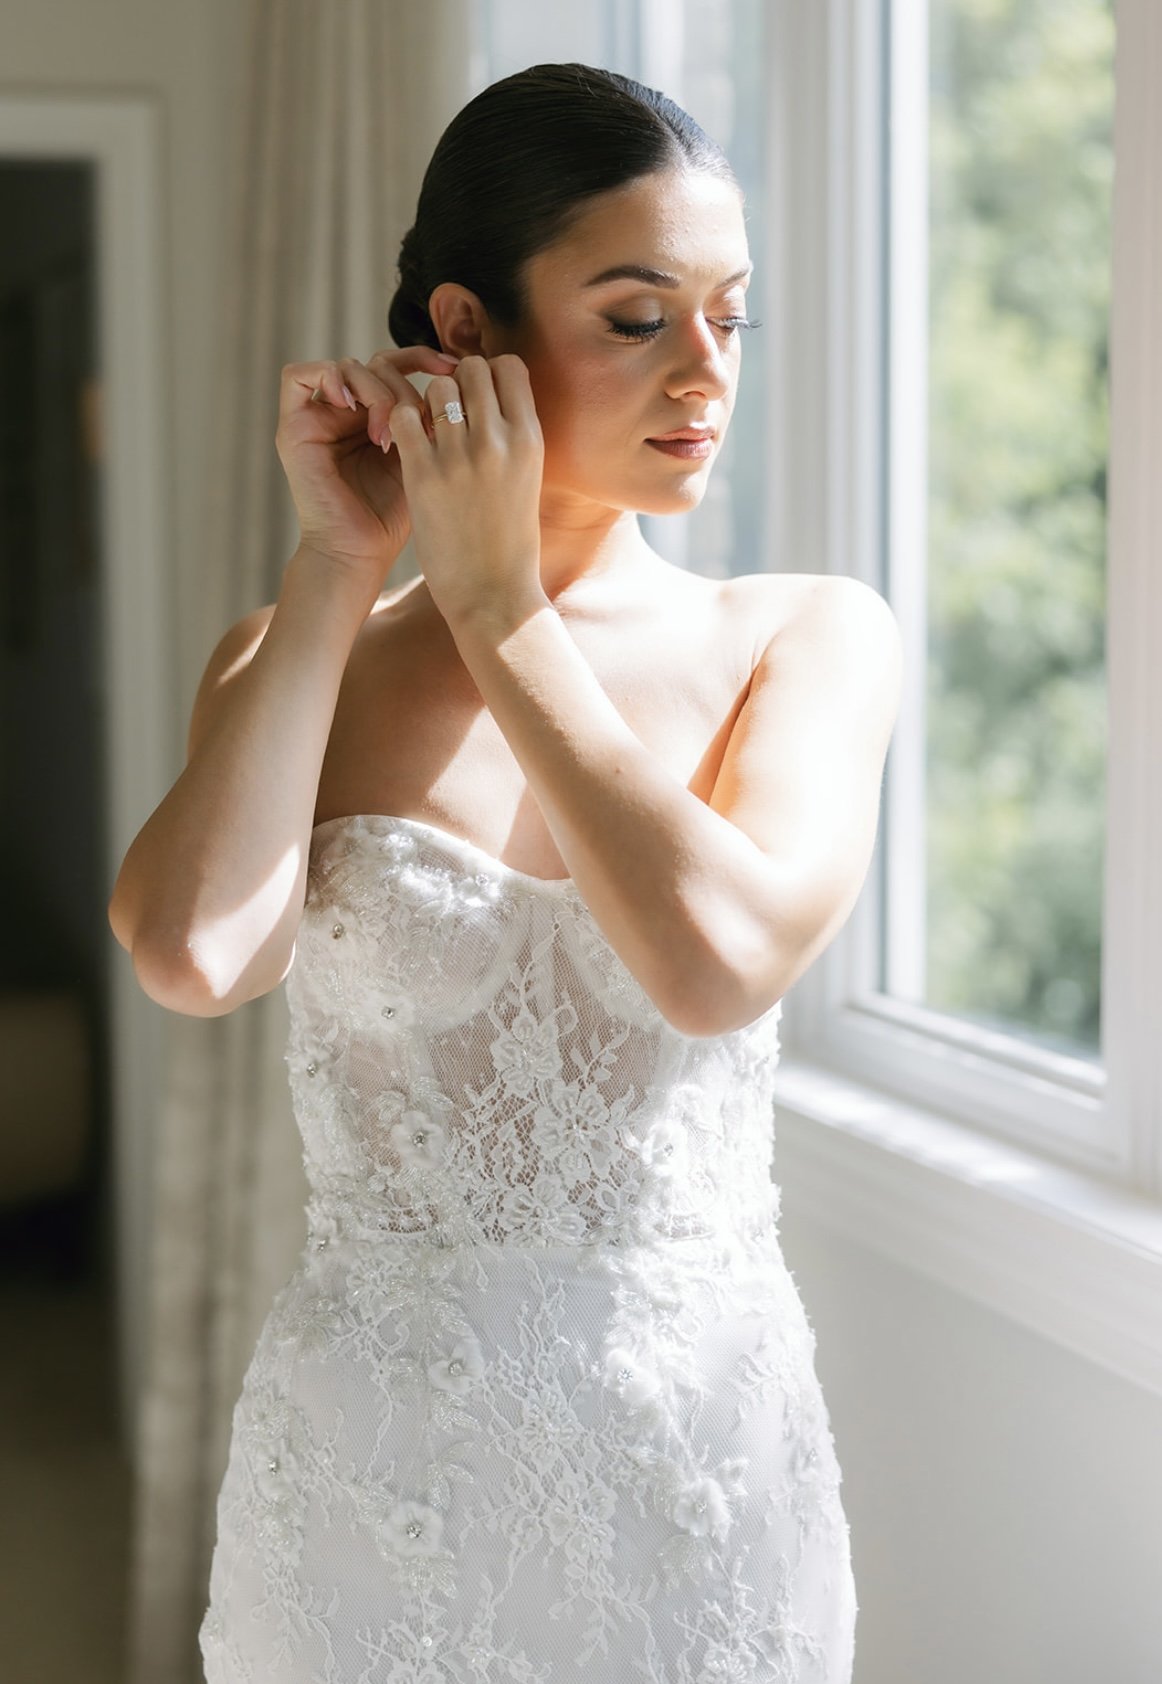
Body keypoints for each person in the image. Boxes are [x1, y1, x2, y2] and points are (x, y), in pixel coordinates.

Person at [110, 60, 899, 1684]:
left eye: (728, 317)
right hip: (372, 1490)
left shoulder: (803, 636)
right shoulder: (292, 656)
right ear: (465, 331)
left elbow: (710, 964)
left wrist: (494, 609)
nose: (705, 369)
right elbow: (196, 956)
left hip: (694, 1471)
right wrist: (339, 567)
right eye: (636, 316)